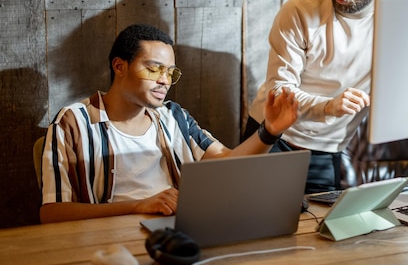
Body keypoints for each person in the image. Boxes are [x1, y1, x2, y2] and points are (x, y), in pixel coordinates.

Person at [40, 24, 298, 224]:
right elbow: (51, 213)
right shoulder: (73, 123)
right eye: (154, 69)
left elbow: (228, 164)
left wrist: (270, 131)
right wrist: (139, 205)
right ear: (120, 66)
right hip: (108, 241)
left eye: (170, 72)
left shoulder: (173, 117)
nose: (164, 80)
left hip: (174, 231)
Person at [243, 0, 396, 194]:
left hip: (326, 150)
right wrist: (330, 106)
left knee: (318, 233)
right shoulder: (300, 11)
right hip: (270, 136)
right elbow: (279, 91)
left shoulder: (395, 25)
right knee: (249, 228)